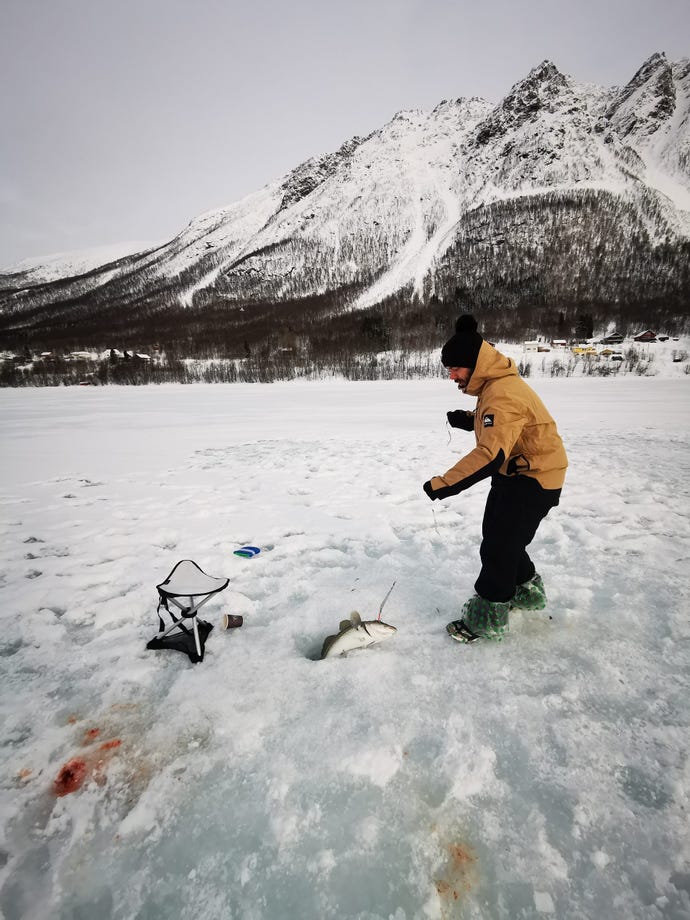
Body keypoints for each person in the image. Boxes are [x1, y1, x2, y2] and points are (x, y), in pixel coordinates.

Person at [423, 315, 568, 643]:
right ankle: (527, 593)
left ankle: (487, 618)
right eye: (449, 369)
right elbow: (501, 424)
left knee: (500, 547)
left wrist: (445, 483)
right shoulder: (495, 386)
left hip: (534, 478)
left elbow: (491, 454)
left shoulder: (502, 392)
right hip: (519, 474)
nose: (452, 376)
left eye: (456, 368)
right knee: (501, 538)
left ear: (474, 364)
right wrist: (470, 420)